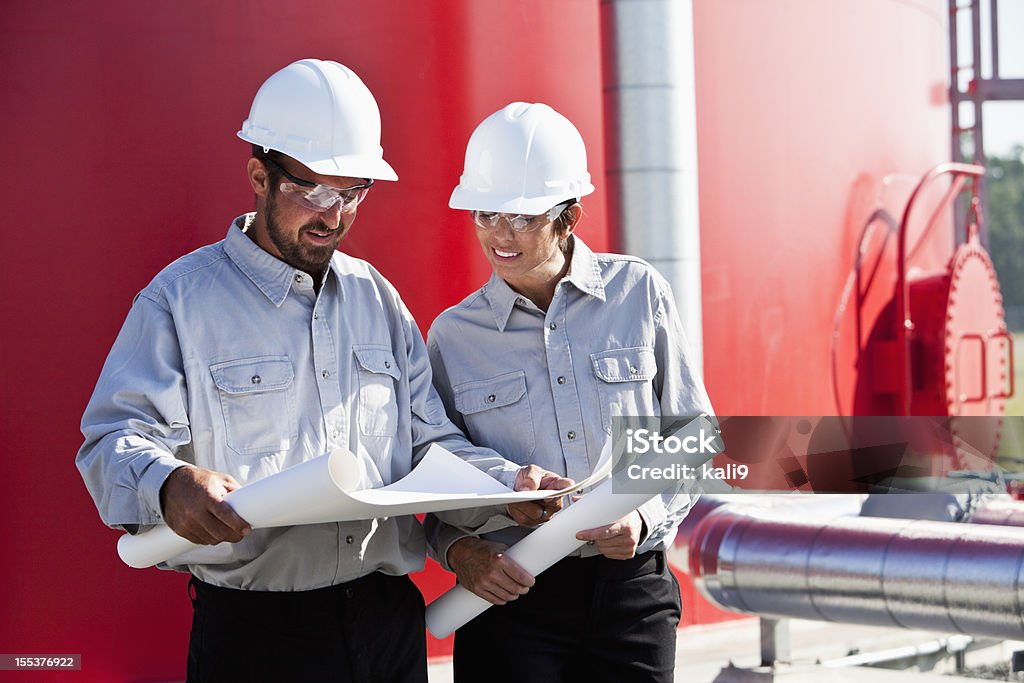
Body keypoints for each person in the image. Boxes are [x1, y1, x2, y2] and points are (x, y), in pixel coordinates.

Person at [76, 61, 567, 683]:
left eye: (352, 193)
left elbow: (430, 444)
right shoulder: (180, 301)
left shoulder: (378, 299)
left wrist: (510, 482)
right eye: (313, 191)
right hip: (257, 637)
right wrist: (169, 484)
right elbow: (112, 441)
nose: (333, 217)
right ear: (259, 176)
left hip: (386, 624)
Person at [424, 102, 715, 682]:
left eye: (524, 218)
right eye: (486, 214)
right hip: (511, 595)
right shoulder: (453, 337)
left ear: (570, 217)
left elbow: (690, 434)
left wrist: (643, 517)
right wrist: (461, 554)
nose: (499, 236)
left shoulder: (639, 293)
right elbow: (426, 477)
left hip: (632, 590)